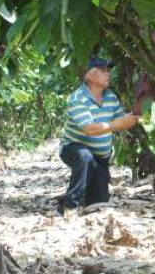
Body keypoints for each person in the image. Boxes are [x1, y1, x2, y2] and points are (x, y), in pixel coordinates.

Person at [56, 56, 139, 216]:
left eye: (108, 70)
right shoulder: (78, 98)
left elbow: (121, 120)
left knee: (98, 203)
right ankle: (70, 207)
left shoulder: (111, 97)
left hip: (100, 157)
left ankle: (66, 201)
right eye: (102, 70)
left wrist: (138, 115)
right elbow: (89, 129)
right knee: (85, 157)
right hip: (73, 149)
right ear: (88, 75)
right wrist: (116, 125)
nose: (107, 73)